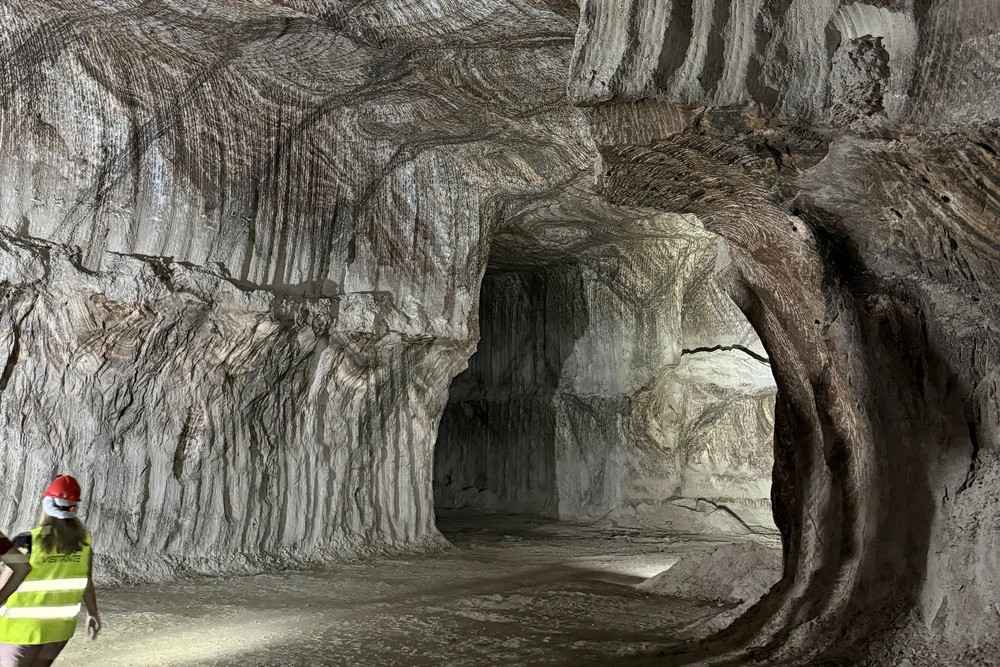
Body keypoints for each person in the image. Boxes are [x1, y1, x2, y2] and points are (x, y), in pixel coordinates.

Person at [0, 475, 100, 667]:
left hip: (21, 630)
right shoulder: (84, 540)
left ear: (47, 503)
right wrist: (93, 613)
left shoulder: (28, 540)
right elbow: (86, 580)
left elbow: (6, 582)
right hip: (59, 629)